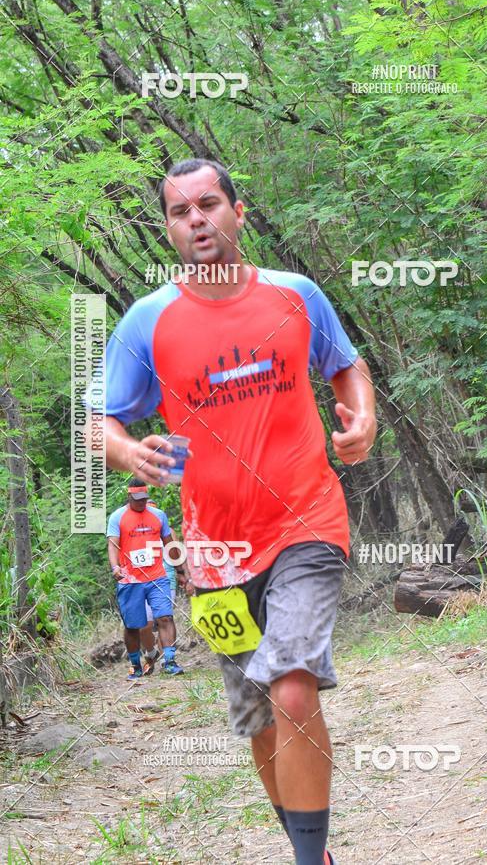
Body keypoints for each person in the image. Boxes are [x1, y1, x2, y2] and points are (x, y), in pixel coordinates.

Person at [95, 159, 376, 863]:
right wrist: (129, 454)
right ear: (169, 228)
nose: (197, 219)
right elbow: (100, 422)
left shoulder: (296, 295)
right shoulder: (147, 323)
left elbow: (345, 364)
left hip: (306, 522)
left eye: (209, 203)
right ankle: (314, 848)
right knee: (257, 716)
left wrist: (361, 418)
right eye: (180, 211)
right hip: (214, 548)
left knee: (290, 689)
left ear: (238, 213)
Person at [106, 479, 184, 678]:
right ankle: (136, 665)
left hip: (157, 577)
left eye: (144, 499)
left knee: (165, 617)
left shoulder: (158, 516)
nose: (141, 503)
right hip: (130, 579)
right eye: (137, 499)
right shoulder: (118, 517)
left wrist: (180, 570)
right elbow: (113, 545)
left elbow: (170, 544)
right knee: (133, 626)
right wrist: (115, 567)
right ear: (129, 496)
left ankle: (170, 661)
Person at [140, 505, 182, 675]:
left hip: (167, 579)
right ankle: (151, 653)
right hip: (143, 581)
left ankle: (169, 659)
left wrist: (182, 573)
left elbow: (177, 553)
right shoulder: (138, 531)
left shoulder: (169, 531)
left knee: (165, 618)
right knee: (146, 624)